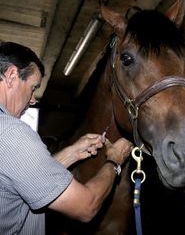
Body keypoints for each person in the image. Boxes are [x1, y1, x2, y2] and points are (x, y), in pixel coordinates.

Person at [0, 41, 133, 234]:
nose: (33, 99)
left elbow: (24, 176)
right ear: (12, 75)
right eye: (33, 87)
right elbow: (86, 207)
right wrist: (115, 161)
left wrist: (72, 152)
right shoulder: (13, 133)